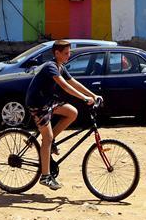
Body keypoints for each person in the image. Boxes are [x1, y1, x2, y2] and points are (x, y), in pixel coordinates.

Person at [25, 40, 102, 190]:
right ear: (57, 53)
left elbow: (74, 83)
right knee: (47, 137)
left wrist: (93, 94)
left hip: (48, 102)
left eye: (69, 52)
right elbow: (65, 86)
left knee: (72, 112)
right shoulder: (51, 67)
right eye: (66, 53)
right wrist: (84, 98)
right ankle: (45, 176)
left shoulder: (61, 67)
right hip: (37, 104)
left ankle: (51, 143)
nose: (69, 55)